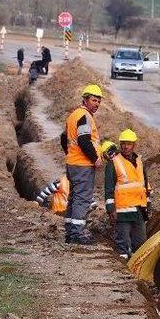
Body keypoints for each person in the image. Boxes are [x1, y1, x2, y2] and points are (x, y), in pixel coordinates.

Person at [60, 84, 104, 245]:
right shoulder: (84, 116)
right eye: (94, 100)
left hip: (73, 163)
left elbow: (63, 138)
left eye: (99, 101)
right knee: (81, 199)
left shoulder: (74, 115)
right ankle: (77, 234)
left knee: (74, 198)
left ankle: (71, 232)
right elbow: (84, 140)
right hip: (82, 165)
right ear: (85, 99)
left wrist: (70, 154)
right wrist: (95, 158)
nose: (97, 104)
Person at [104, 131, 151, 259]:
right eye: (123, 143)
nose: (125, 146)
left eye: (129, 144)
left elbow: (145, 185)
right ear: (120, 144)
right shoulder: (113, 162)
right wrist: (110, 209)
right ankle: (123, 271)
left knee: (140, 244)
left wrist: (148, 204)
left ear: (134, 144)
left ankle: (136, 271)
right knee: (123, 244)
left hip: (139, 209)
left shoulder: (140, 162)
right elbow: (109, 189)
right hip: (122, 211)